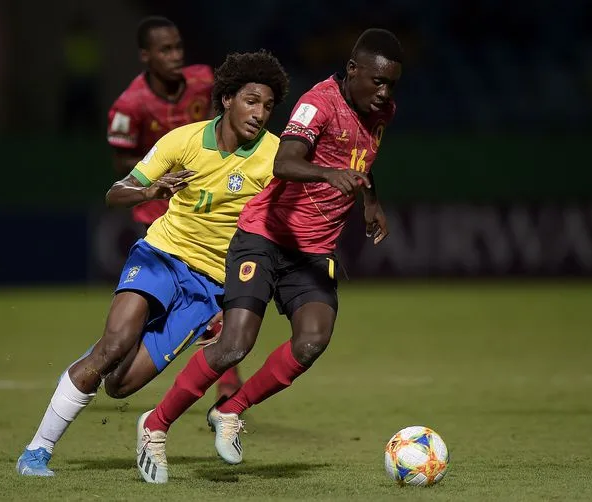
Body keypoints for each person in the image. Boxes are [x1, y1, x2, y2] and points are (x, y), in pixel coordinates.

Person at [137, 28, 403, 483]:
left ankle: (230, 410)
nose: (384, 92)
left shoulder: (382, 112)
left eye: (392, 84)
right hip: (263, 235)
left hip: (314, 251)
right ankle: (155, 425)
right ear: (353, 69)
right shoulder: (318, 102)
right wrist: (327, 173)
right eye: (377, 81)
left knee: (312, 341)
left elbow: (363, 159)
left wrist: (370, 200)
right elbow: (285, 162)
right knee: (235, 343)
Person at [16, 50, 289, 478]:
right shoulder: (182, 141)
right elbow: (116, 191)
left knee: (120, 385)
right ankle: (36, 451)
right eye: (252, 101)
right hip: (161, 256)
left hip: (210, 289)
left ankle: (109, 352)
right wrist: (150, 192)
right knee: (113, 345)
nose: (260, 114)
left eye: (269, 107)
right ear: (227, 99)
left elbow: (277, 233)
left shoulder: (274, 158)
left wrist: (233, 301)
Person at [106, 15, 242, 398]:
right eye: (165, 50)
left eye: (179, 46)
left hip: (206, 204)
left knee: (220, 290)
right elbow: (122, 166)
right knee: (171, 297)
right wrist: (161, 169)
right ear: (145, 56)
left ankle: (226, 381)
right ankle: (132, 345)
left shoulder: (204, 81)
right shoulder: (128, 106)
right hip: (158, 214)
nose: (176, 56)